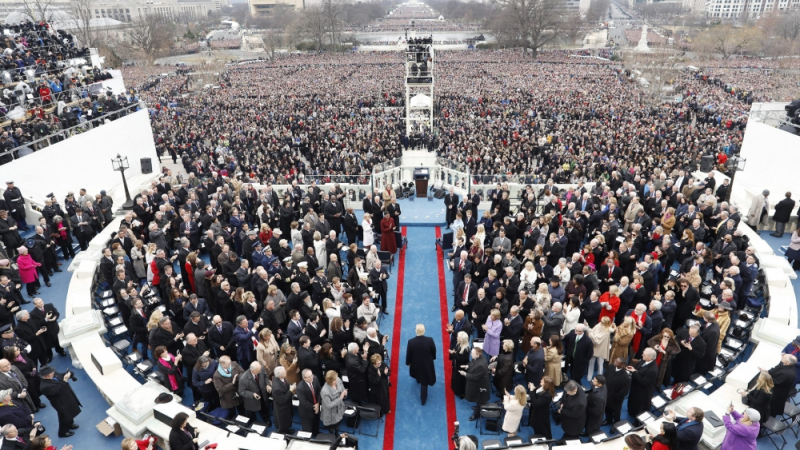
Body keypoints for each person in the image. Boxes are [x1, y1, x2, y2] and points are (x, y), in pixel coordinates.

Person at [39, 366, 81, 438]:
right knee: (64, 416)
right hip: (60, 402)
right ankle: (63, 432)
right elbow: (57, 391)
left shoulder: (53, 374)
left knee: (70, 412)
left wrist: (69, 374)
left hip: (66, 397)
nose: (53, 372)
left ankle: (70, 424)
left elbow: (61, 375)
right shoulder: (44, 387)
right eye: (50, 372)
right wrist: (65, 380)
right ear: (45, 375)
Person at [406, 324, 436, 405]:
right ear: (424, 331)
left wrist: (408, 362)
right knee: (424, 383)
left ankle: (418, 379)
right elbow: (433, 351)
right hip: (427, 364)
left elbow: (409, 354)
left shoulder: (411, 342)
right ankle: (423, 400)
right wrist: (432, 358)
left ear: (416, 331)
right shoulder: (430, 340)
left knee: (418, 375)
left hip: (416, 363)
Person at [627, 348, 659, 418]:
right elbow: (638, 368)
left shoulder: (653, 370)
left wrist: (634, 372)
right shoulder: (644, 360)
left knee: (638, 405)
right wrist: (633, 369)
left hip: (642, 391)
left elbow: (644, 381)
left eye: (644, 355)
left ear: (650, 358)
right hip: (635, 386)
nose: (642, 355)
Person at [237, 361, 271, 426]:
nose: (260, 372)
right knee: (251, 413)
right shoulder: (243, 379)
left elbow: (265, 376)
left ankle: (266, 419)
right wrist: (252, 394)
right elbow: (241, 391)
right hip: (251, 399)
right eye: (258, 371)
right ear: (252, 371)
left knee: (264, 408)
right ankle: (253, 423)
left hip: (262, 394)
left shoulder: (261, 368)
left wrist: (267, 384)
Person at [463, 346, 491, 421]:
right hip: (478, 384)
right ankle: (478, 407)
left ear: (477, 354)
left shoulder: (481, 365)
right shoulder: (479, 358)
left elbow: (475, 377)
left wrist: (465, 374)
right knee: (478, 399)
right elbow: (473, 363)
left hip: (480, 386)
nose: (471, 354)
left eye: (472, 353)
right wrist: (467, 366)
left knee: (480, 399)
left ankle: (477, 413)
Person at [604, 357, 631, 425]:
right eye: (616, 360)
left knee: (616, 412)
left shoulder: (625, 377)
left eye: (617, 362)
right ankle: (608, 420)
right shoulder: (610, 367)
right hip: (607, 394)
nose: (615, 362)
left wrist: (615, 397)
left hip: (616, 399)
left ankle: (616, 425)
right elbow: (605, 376)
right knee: (607, 409)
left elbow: (624, 391)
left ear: (622, 365)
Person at [320, 370, 346, 435]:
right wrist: (340, 398)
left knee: (338, 424)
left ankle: (337, 433)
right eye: (334, 380)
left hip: (339, 409)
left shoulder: (337, 379)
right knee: (331, 427)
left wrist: (344, 393)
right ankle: (332, 433)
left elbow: (342, 388)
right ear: (329, 381)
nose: (336, 380)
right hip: (330, 413)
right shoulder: (325, 391)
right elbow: (329, 405)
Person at [587, 316, 613, 381]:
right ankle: (589, 378)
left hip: (601, 349)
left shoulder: (606, 332)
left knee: (600, 364)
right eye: (601, 321)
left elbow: (596, 340)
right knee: (591, 363)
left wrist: (589, 333)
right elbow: (593, 331)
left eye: (602, 322)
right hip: (594, 348)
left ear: (606, 323)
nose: (600, 323)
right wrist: (589, 329)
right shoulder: (599, 325)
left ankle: (599, 379)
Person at [297, 368, 321, 435]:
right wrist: (315, 407)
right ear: (304, 378)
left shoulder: (315, 378)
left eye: (311, 375)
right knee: (307, 430)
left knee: (316, 424)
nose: (311, 378)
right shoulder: (300, 388)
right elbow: (304, 402)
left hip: (316, 407)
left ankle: (316, 433)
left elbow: (319, 391)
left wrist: (318, 404)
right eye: (309, 377)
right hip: (306, 412)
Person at [272, 366, 296, 434]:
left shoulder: (282, 379)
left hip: (287, 406)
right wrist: (291, 390)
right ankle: (283, 433)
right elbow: (283, 400)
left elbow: (287, 385)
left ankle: (287, 430)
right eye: (284, 372)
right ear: (280, 376)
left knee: (287, 421)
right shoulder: (277, 388)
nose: (286, 372)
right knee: (283, 422)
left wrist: (291, 386)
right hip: (281, 409)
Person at [450, 331, 470, 398]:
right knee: (455, 377)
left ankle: (461, 393)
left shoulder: (466, 349)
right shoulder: (458, 344)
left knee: (460, 380)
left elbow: (462, 359)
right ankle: (455, 388)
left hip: (461, 367)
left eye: (458, 337)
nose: (457, 337)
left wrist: (454, 354)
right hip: (456, 365)